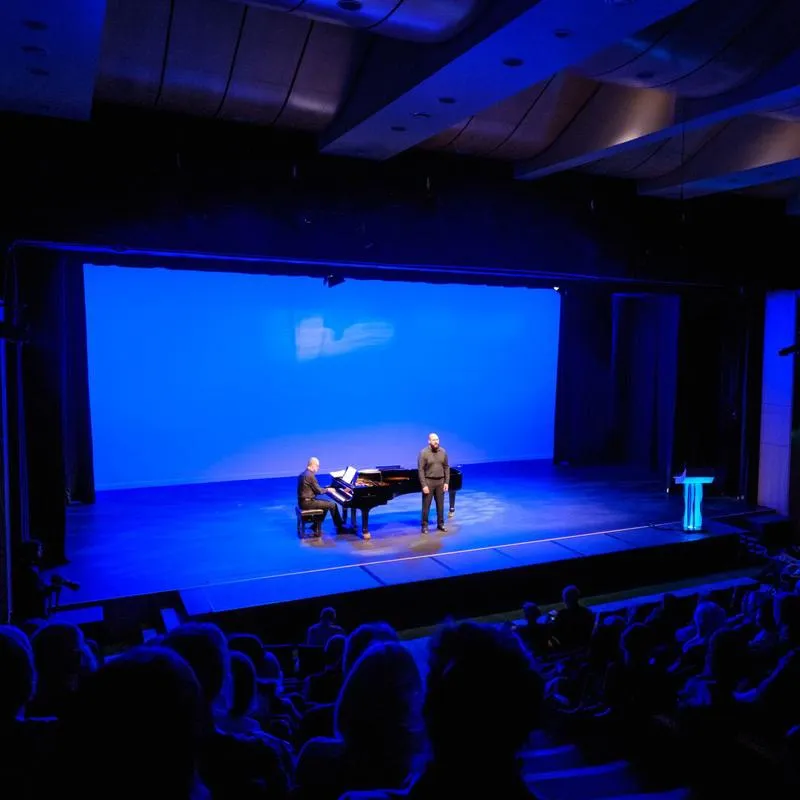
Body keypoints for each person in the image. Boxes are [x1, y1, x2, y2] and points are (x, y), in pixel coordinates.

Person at [298, 457, 346, 536]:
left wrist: (326, 488)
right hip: (307, 503)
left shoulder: (303, 474)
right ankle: (340, 527)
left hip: (302, 502)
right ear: (313, 465)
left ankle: (316, 525)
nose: (318, 468)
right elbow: (319, 491)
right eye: (317, 466)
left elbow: (314, 489)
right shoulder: (310, 476)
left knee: (325, 504)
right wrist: (328, 490)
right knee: (332, 505)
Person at [417, 433, 450, 534]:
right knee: (426, 506)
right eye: (434, 440)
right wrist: (424, 485)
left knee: (440, 505)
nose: (436, 442)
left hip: (440, 482)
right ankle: (424, 526)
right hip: (429, 482)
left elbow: (446, 467)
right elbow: (421, 470)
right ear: (429, 441)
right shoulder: (423, 453)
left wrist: (446, 482)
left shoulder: (443, 452)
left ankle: (440, 524)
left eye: (437, 439)